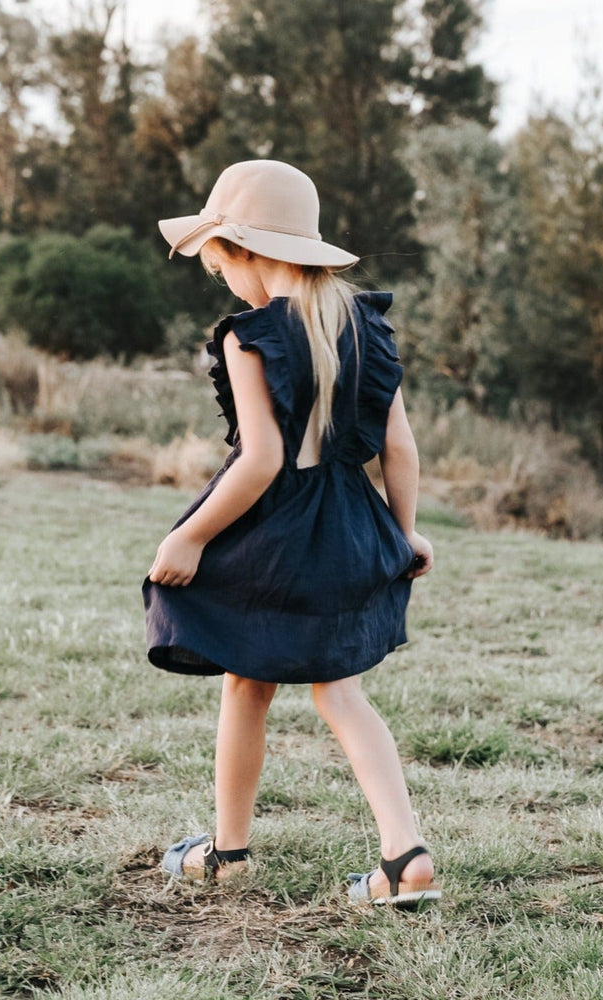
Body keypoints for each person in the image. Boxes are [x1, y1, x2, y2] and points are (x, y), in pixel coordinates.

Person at [142, 160, 439, 907]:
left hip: (275, 535)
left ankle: (229, 854)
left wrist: (191, 538)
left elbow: (263, 460)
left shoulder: (251, 334)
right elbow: (397, 448)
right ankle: (404, 858)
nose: (226, 286)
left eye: (221, 269)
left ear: (245, 252)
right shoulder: (363, 323)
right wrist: (405, 536)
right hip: (350, 528)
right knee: (341, 694)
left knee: (245, 683)